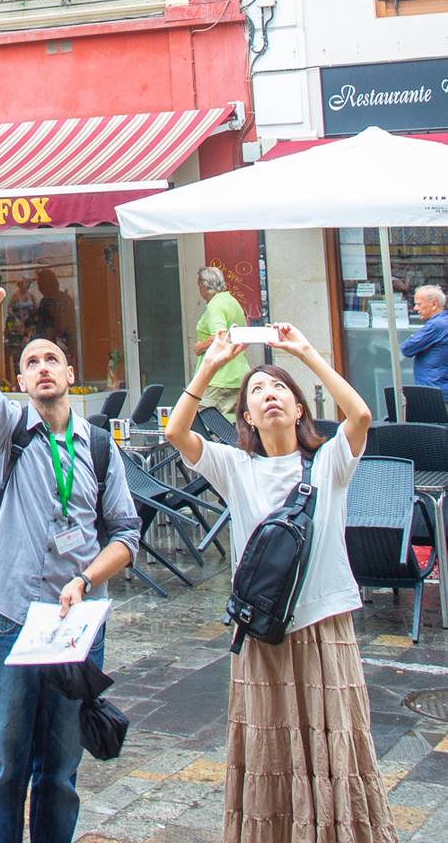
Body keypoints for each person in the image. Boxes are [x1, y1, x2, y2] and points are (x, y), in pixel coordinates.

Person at [165, 324, 396, 841]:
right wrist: (210, 365)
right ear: (245, 416)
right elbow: (177, 433)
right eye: (257, 392)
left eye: (280, 390)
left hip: (323, 622)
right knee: (271, 742)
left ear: (297, 409)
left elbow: (359, 416)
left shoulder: (329, 462)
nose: (269, 397)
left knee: (331, 735)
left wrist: (306, 353)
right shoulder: (235, 466)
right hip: (263, 629)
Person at [0, 251, 140, 843]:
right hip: (13, 614)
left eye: (50, 360)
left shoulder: (100, 446)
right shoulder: (12, 434)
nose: (40, 368)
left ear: (69, 374)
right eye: (30, 362)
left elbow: (126, 533)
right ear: (21, 381)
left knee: (59, 772)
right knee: (5, 768)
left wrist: (86, 578)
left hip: (76, 624)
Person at [193, 266, 250, 421]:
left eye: (199, 286)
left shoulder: (214, 306)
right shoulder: (232, 301)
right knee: (233, 425)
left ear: (204, 286)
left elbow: (221, 335)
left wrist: (199, 347)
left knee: (207, 422)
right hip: (238, 373)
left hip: (218, 376)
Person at [401, 284, 448, 402]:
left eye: (419, 304)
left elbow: (407, 348)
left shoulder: (436, 326)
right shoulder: (444, 321)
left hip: (435, 393)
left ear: (434, 304)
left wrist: (413, 336)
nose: (415, 308)